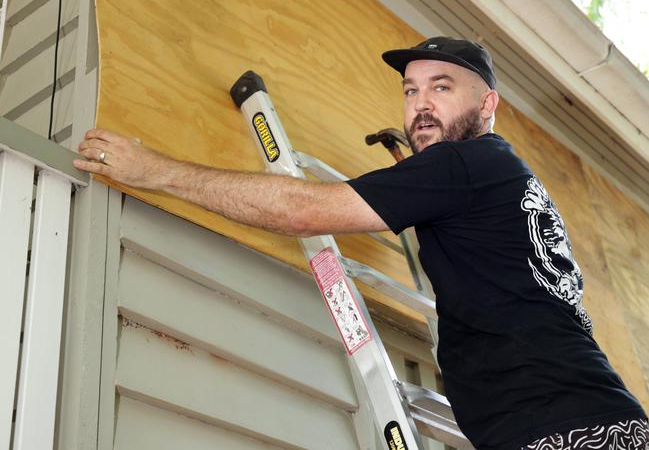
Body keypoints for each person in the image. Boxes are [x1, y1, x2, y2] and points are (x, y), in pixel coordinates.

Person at [73, 37, 648, 449]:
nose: (421, 104)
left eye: (442, 88)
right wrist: (414, 180)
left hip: (561, 431)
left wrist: (155, 171)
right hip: (597, 419)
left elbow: (300, 209)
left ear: (487, 105)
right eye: (410, 90)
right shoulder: (504, 176)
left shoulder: (465, 165)